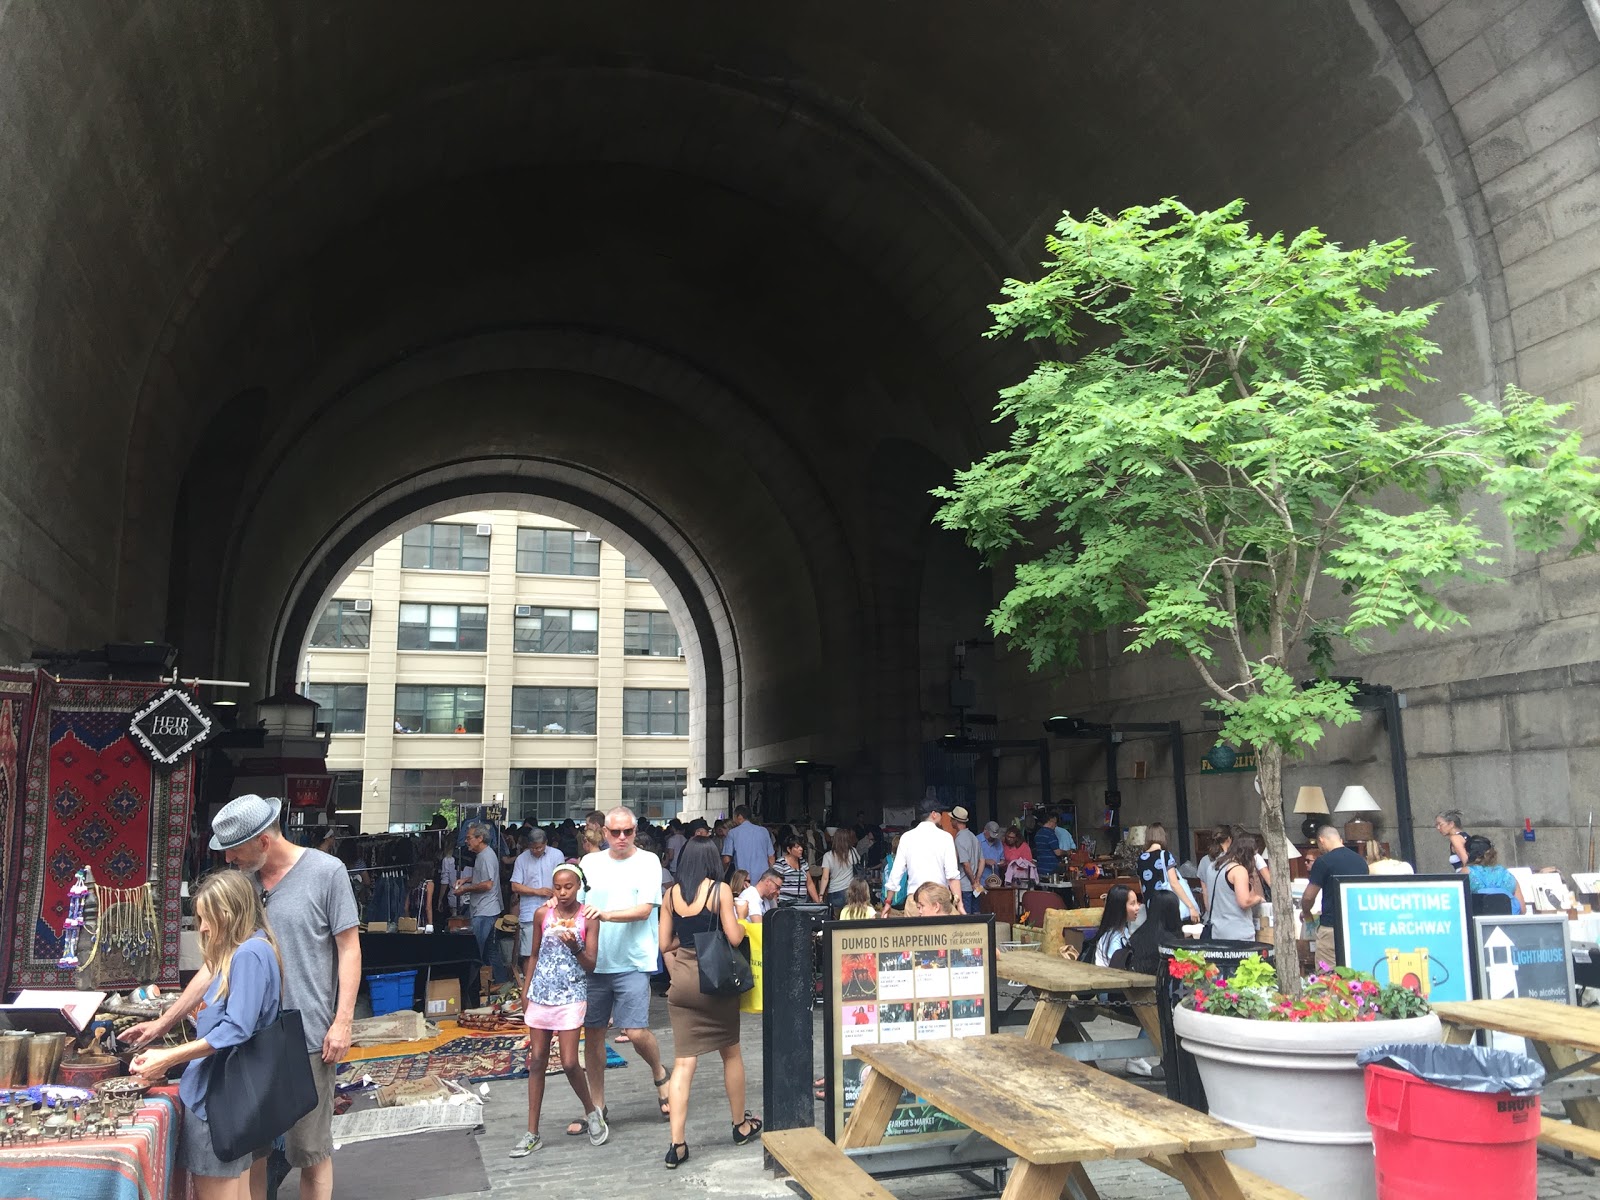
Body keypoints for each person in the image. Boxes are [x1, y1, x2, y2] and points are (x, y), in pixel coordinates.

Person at [125, 794, 362, 1200]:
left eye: (234, 849)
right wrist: (165, 1022)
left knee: (310, 1150)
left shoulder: (326, 872)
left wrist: (342, 1022)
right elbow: (216, 964)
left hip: (306, 1036)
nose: (228, 858)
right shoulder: (242, 886)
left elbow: (349, 948)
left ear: (263, 841)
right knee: (252, 1151)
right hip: (247, 1042)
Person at [130, 870, 284, 1200]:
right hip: (233, 1101)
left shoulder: (247, 955)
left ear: (227, 914)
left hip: (217, 1103)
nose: (202, 927)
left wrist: (168, 1056)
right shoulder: (255, 948)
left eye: (206, 918)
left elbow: (236, 1028)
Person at [659, 838, 761, 1169]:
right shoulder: (720, 892)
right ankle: (740, 1125)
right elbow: (734, 937)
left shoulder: (670, 895)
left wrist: (685, 942)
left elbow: (664, 943)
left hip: (683, 982)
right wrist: (740, 915)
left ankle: (677, 1144)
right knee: (730, 1053)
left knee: (683, 1064)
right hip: (715, 981)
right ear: (713, 861)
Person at [579, 805, 673, 1126]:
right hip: (595, 960)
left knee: (634, 1031)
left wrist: (604, 915)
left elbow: (645, 909)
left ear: (635, 831)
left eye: (627, 831)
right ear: (604, 833)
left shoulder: (648, 861)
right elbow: (576, 906)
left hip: (633, 959)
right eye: (615, 832)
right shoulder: (589, 863)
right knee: (593, 1034)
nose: (621, 837)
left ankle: (659, 1073)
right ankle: (597, 1107)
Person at [512, 862, 608, 1156]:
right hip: (541, 992)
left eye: (569, 887)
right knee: (537, 1059)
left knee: (568, 1061)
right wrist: (526, 990)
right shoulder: (543, 914)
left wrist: (575, 945)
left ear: (579, 887)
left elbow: (590, 963)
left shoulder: (588, 918)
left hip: (572, 994)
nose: (563, 892)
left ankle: (592, 1112)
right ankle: (532, 1132)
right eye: (558, 887)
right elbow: (534, 954)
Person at [1122, 889, 1182, 1078]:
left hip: (1128, 995)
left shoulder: (1139, 934)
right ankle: (1153, 1058)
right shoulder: (1170, 942)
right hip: (1145, 1001)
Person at [881, 798, 964, 916]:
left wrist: (888, 902)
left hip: (915, 902)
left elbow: (896, 873)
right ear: (934, 814)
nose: (942, 816)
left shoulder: (906, 838)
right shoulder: (946, 838)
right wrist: (959, 905)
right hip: (939, 902)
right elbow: (952, 876)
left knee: (914, 934)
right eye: (940, 813)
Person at [1300, 825, 1370, 966]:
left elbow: (1308, 896)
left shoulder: (1323, 861)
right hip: (1356, 926)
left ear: (1321, 840)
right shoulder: (1361, 861)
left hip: (1331, 927)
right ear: (1340, 839)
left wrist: (1306, 912)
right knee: (1354, 973)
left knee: (1328, 976)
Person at [455, 821, 507, 994]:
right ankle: (499, 981)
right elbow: (483, 878)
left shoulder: (485, 856)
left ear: (480, 838)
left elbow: (487, 884)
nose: (466, 841)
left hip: (485, 910)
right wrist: (467, 879)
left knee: (478, 950)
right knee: (490, 950)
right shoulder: (483, 855)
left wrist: (465, 889)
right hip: (486, 909)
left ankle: (475, 986)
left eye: (469, 838)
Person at [511, 828, 566, 968]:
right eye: (533, 848)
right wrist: (537, 891)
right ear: (528, 845)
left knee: (553, 953)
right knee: (529, 954)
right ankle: (528, 987)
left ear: (546, 843)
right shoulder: (522, 859)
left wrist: (555, 894)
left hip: (553, 911)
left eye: (539, 847)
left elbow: (562, 882)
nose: (536, 850)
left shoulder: (556, 855)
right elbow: (515, 886)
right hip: (530, 913)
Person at [1137, 823, 1199, 923]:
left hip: (1151, 906)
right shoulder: (1165, 855)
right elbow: (1174, 883)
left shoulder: (1141, 858)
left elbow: (1141, 885)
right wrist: (1191, 906)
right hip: (1166, 905)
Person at [1207, 834, 1264, 941]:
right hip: (1239, 933)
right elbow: (1244, 902)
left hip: (1217, 931)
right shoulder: (1238, 870)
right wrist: (1258, 898)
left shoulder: (1213, 866)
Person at [1465, 835, 1525, 913]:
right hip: (1506, 922)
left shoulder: (1467, 872)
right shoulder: (1507, 875)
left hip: (1479, 922)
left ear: (1468, 854)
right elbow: (1522, 909)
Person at [1093, 885, 1142, 968]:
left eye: (1137, 903)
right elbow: (1118, 969)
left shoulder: (1124, 930)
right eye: (1132, 904)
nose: (1138, 907)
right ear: (1120, 907)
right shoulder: (1114, 939)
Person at [721, 805, 775, 880]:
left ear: (739, 816)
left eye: (734, 816)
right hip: (763, 879)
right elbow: (771, 857)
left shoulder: (733, 833)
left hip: (744, 879)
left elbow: (726, 859)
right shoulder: (764, 831)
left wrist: (721, 873)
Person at [950, 806, 984, 915]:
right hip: (975, 886)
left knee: (966, 919)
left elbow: (965, 864)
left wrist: (973, 882)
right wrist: (977, 880)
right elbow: (982, 861)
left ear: (956, 821)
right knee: (976, 916)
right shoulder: (973, 837)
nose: (950, 821)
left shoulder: (959, 839)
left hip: (965, 886)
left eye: (952, 819)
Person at [773, 832, 822, 906]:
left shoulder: (803, 863)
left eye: (801, 846)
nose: (801, 849)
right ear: (789, 849)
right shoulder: (781, 863)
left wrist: (818, 903)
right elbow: (774, 885)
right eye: (797, 847)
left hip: (801, 903)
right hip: (785, 903)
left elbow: (809, 883)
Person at [817, 828, 859, 912]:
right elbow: (858, 862)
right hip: (850, 891)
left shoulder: (828, 856)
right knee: (848, 918)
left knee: (834, 920)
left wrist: (821, 895)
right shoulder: (853, 851)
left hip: (834, 891)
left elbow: (825, 878)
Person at [879, 833, 910, 911]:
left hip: (886, 898)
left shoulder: (887, 860)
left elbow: (881, 878)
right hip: (901, 899)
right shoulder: (907, 861)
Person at [1034, 811, 1070, 876]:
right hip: (1051, 869)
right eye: (1055, 823)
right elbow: (1058, 852)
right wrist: (1067, 852)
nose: (1056, 825)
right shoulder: (1050, 834)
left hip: (1040, 868)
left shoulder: (1038, 833)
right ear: (1051, 821)